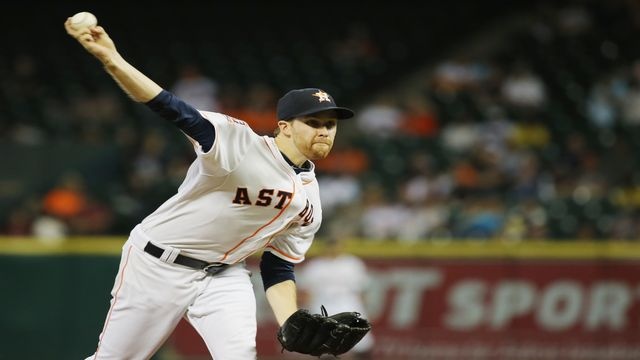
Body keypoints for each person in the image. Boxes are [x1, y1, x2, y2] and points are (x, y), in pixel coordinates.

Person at [64, 16, 355, 359]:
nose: (324, 131)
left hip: (224, 274)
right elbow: (170, 107)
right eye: (313, 122)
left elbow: (278, 264)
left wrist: (289, 318)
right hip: (158, 262)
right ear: (284, 127)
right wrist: (112, 60)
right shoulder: (239, 144)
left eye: (330, 125)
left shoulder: (311, 201)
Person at [298, 236, 375, 359]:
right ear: (325, 247)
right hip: (322, 305)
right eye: (331, 246)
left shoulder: (352, 263)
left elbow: (361, 289)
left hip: (348, 303)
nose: (334, 249)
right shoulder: (315, 266)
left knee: (361, 343)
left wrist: (366, 308)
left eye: (337, 245)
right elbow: (306, 292)